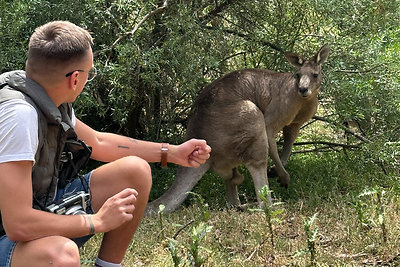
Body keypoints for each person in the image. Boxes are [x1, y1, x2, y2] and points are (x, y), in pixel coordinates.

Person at [0, 21, 211, 267]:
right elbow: (18, 224)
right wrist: (96, 222)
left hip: (37, 207)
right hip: (10, 230)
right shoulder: (19, 116)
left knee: (135, 170)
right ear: (75, 79)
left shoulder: (45, 97)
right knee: (60, 256)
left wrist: (172, 152)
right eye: (91, 72)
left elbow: (98, 141)